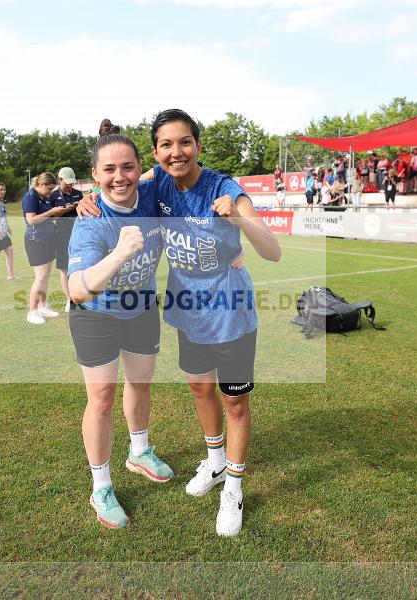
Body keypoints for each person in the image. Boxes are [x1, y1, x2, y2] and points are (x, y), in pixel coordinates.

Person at [79, 109, 281, 537]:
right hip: (188, 308)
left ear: (198, 145)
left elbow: (273, 251)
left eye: (185, 142)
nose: (177, 152)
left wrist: (240, 218)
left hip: (230, 310)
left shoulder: (225, 188)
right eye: (167, 145)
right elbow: (118, 183)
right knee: (199, 388)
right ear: (156, 153)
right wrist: (87, 196)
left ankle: (234, 487)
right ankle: (213, 463)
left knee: (235, 403)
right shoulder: (158, 183)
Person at [66, 123, 171, 530]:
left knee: (141, 384)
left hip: (142, 307)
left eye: (127, 167)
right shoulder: (91, 219)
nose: (119, 177)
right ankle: (101, 485)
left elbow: (173, 168)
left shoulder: (151, 191)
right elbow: (77, 289)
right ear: (94, 175)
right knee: (102, 399)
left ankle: (139, 451)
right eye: (108, 170)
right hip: (97, 313)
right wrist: (120, 253)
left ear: (140, 168)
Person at [22, 172, 67, 324]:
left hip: (47, 239)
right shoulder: (31, 196)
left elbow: (47, 217)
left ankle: (42, 306)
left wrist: (59, 211)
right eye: (48, 188)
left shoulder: (43, 196)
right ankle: (32, 311)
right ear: (41, 185)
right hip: (36, 241)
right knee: (40, 276)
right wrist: (52, 212)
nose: (50, 192)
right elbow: (32, 220)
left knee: (46, 275)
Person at [49, 167, 84, 312]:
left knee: (81, 264)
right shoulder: (53, 195)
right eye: (67, 182)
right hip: (61, 233)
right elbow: (49, 216)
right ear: (60, 180)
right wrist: (63, 210)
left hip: (79, 232)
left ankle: (81, 296)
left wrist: (78, 207)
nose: (70, 185)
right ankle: (69, 299)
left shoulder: (77, 193)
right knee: (64, 267)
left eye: (71, 182)